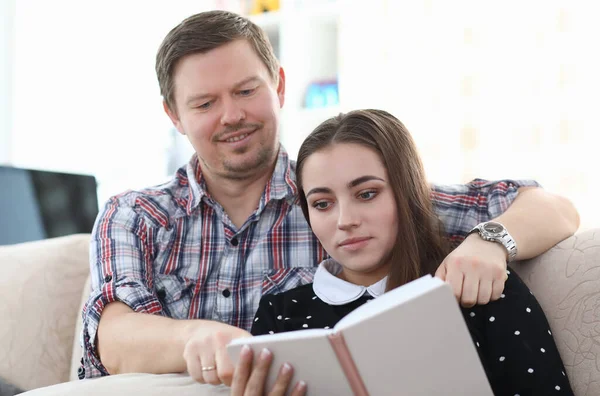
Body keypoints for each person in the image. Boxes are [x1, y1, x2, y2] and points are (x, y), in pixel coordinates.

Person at [80, 9, 580, 389]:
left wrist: (490, 241)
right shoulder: (135, 215)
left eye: (246, 90)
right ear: (174, 115)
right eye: (205, 103)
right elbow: (114, 338)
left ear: (277, 85)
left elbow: (552, 207)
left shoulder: (339, 192)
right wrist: (194, 338)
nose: (231, 115)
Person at [234, 109, 573, 395]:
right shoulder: (278, 315)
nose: (345, 221)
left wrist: (490, 241)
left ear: (407, 192)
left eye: (367, 194)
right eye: (322, 204)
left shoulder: (478, 284)